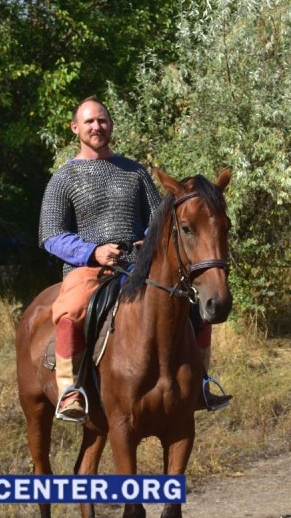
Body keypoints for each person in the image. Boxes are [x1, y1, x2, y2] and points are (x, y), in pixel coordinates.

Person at [39, 97, 229, 422]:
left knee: (192, 308)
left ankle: (201, 382)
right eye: (89, 122)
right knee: (71, 311)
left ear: (111, 126)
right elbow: (50, 235)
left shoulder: (135, 172)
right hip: (88, 269)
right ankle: (71, 391)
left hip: (137, 265)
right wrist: (92, 252)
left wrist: (148, 238)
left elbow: (159, 220)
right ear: (75, 129)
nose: (97, 127)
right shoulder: (65, 178)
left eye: (102, 120)